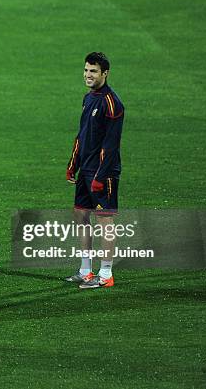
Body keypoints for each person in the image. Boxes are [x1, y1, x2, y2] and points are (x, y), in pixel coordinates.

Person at [65, 52, 125, 289]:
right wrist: (73, 165)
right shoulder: (88, 98)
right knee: (80, 216)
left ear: (105, 74)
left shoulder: (112, 104)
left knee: (104, 221)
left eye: (93, 71)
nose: (88, 75)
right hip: (86, 170)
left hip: (103, 173)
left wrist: (101, 176)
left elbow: (111, 145)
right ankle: (85, 270)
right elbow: (82, 136)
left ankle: (106, 273)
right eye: (86, 70)